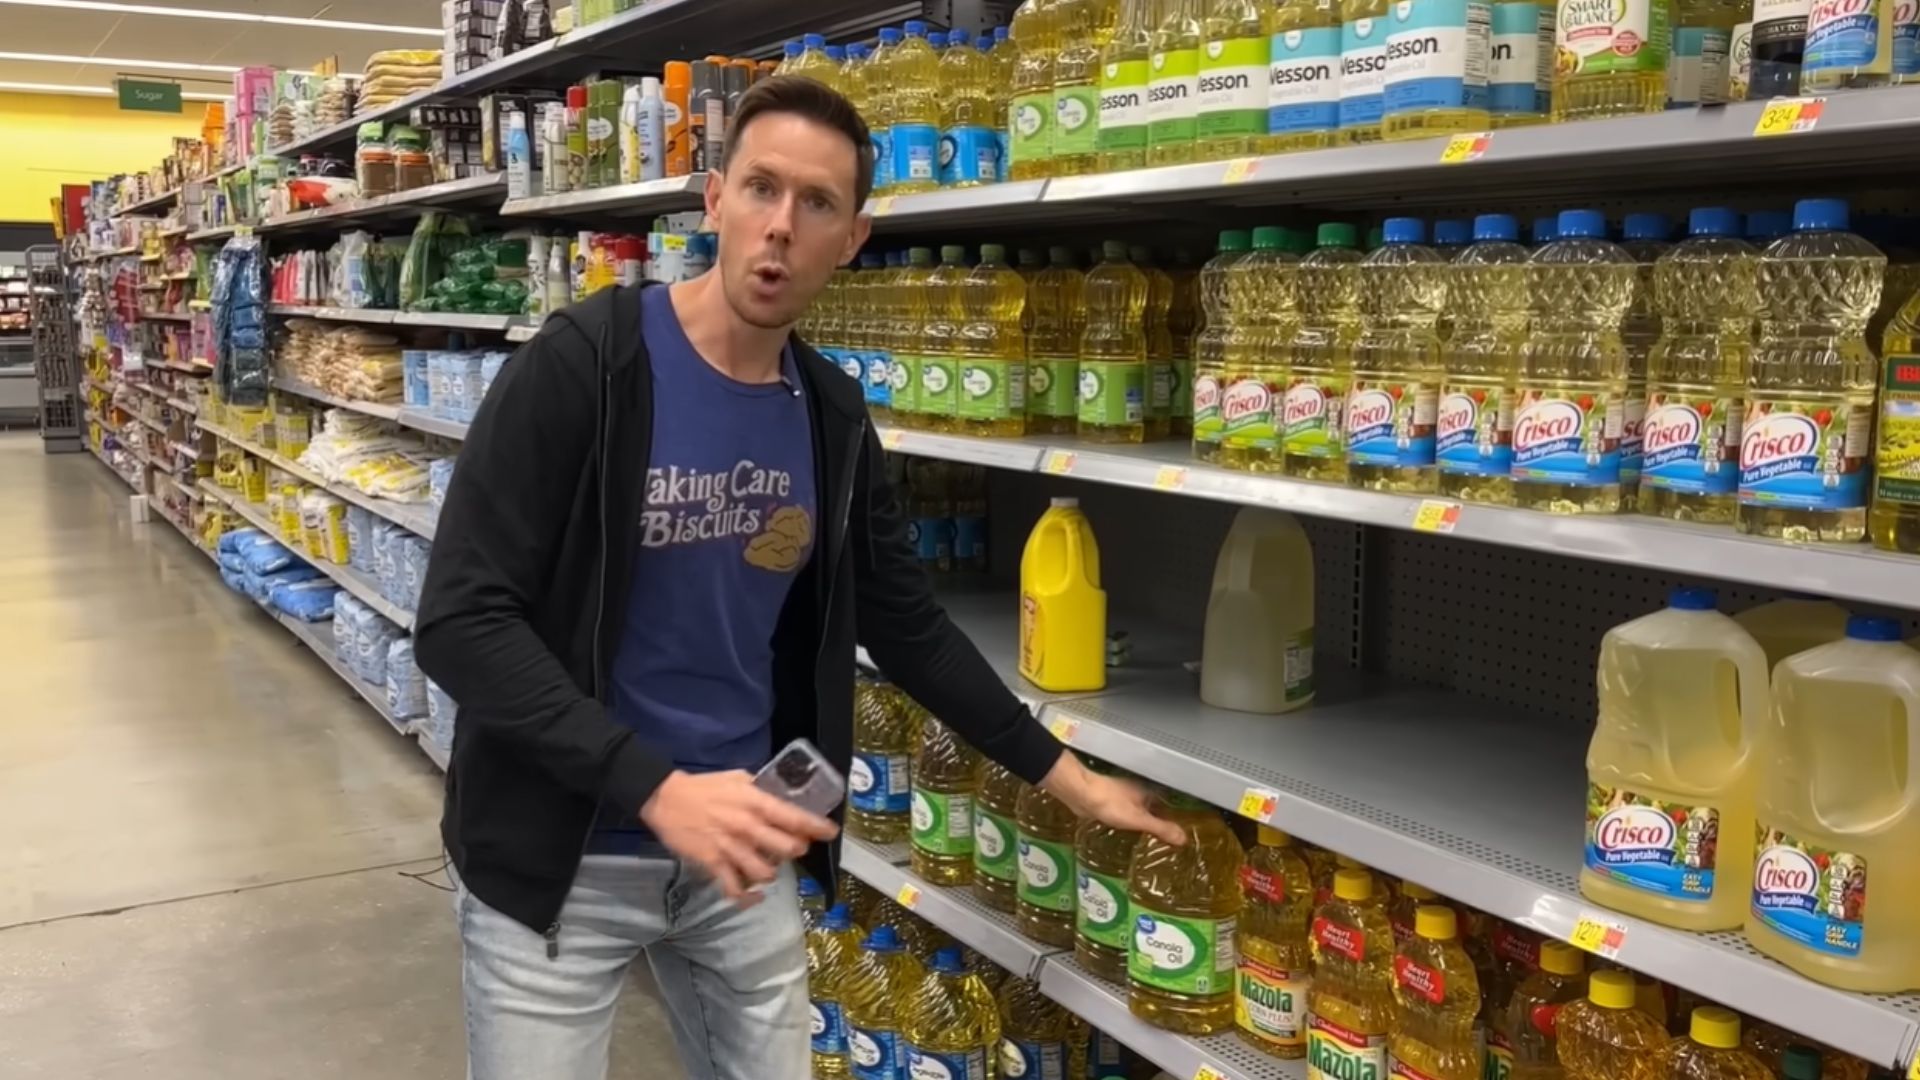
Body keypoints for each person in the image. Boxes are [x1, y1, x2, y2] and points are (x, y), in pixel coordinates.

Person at [414, 75, 1182, 1080]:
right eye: (761, 188)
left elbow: (907, 625)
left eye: (816, 202)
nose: (781, 225)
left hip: (741, 854)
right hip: (565, 854)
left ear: (851, 239)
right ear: (714, 200)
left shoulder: (829, 414)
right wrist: (652, 787)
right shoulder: (584, 366)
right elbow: (461, 621)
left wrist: (1068, 779)